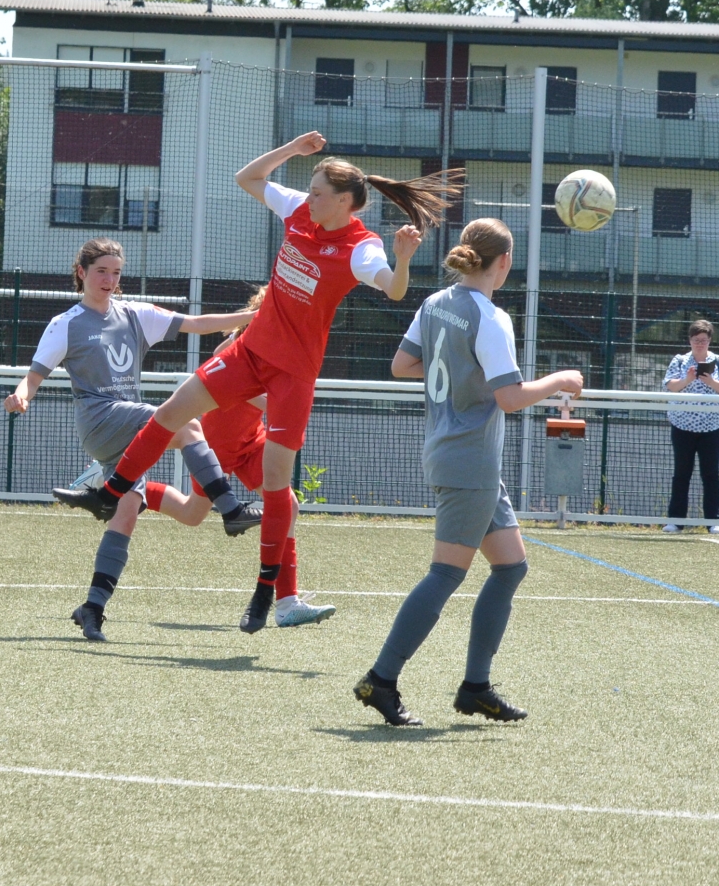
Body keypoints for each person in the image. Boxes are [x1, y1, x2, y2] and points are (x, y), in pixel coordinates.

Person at [93, 132, 461, 632]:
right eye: (309, 190)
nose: (309, 198)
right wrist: (293, 148)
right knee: (171, 415)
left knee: (275, 492)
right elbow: (247, 178)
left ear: (345, 202)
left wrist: (403, 259)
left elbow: (394, 291)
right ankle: (111, 490)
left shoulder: (361, 247)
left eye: (318, 192)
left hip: (292, 376)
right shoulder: (300, 213)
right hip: (249, 356)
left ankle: (270, 594)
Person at [355, 218, 583, 727]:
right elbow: (510, 398)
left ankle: (475, 687)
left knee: (511, 566)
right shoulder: (490, 316)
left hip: (455, 454)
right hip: (469, 460)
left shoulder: (435, 303)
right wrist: (559, 379)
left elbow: (401, 365)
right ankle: (380, 678)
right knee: (445, 573)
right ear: (504, 262)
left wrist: (463, 371)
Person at [4, 239, 259, 642]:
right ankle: (230, 509)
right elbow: (33, 377)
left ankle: (92, 608)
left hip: (132, 433)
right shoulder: (65, 323)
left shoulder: (135, 314)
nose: (109, 279)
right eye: (101, 271)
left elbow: (197, 323)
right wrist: (22, 396)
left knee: (125, 516)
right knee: (187, 424)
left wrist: (253, 317)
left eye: (116, 272)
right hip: (102, 422)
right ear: (82, 273)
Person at [141, 288, 338, 627]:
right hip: (216, 445)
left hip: (250, 440)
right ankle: (134, 490)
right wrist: (285, 395)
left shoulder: (283, 343)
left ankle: (287, 602)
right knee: (191, 513)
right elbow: (229, 363)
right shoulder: (249, 339)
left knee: (288, 504)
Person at [660, 318, 719, 535]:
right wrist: (688, 379)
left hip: (712, 426)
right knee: (681, 473)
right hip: (682, 425)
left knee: (711, 474)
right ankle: (675, 521)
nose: (700, 344)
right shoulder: (679, 360)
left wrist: (710, 381)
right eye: (696, 340)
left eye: (703, 340)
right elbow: (670, 386)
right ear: (690, 340)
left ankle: (713, 521)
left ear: (709, 341)